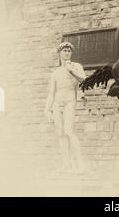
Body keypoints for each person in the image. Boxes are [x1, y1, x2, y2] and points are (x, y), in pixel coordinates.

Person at [44, 42, 86, 173]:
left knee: (68, 131)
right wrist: (47, 108)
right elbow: (51, 93)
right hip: (57, 103)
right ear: (60, 53)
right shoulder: (56, 72)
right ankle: (67, 164)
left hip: (69, 101)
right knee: (61, 134)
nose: (67, 53)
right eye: (64, 51)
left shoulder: (76, 66)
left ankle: (80, 164)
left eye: (69, 51)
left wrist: (71, 71)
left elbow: (83, 80)